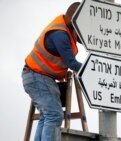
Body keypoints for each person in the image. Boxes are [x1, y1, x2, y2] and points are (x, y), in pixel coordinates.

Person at [22, 2, 82, 141]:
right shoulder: (60, 35)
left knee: (47, 116)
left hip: (38, 77)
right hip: (36, 77)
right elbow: (72, 63)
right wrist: (93, 69)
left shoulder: (66, 27)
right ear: (75, 20)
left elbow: (83, 41)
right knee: (54, 115)